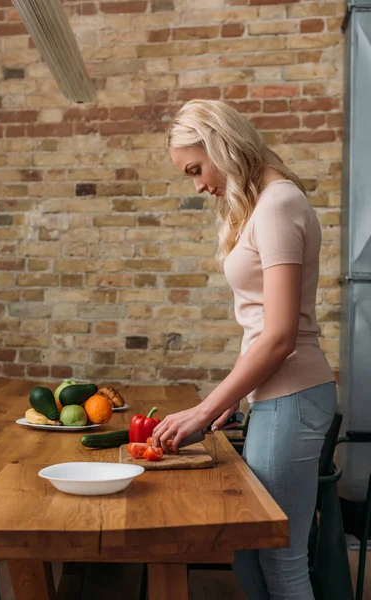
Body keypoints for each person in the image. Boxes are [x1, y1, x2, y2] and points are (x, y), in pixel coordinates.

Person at [151, 99, 337, 600]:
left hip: (293, 395)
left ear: (222, 146)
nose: (197, 185)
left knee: (281, 558)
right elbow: (257, 326)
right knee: (250, 554)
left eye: (196, 168)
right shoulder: (261, 207)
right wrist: (233, 396)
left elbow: (279, 336)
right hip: (276, 396)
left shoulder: (278, 205)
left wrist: (204, 409)